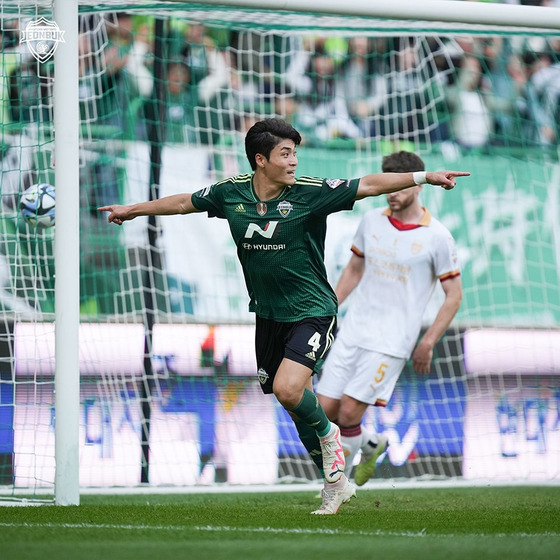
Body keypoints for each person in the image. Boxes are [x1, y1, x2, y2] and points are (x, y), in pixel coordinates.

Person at [98, 119, 469, 514]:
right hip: (268, 314)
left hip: (313, 311)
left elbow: (369, 185)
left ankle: (332, 442)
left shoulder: (310, 193)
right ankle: (335, 481)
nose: (294, 161)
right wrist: (133, 211)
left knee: (290, 390)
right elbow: (183, 202)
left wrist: (425, 176)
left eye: (295, 152)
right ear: (261, 160)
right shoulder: (231, 193)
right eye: (285, 153)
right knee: (294, 402)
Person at [316, 150, 463, 487]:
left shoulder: (438, 237)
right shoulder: (371, 222)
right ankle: (370, 444)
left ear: (418, 184)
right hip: (354, 329)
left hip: (393, 340)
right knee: (325, 411)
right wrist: (329, 310)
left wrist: (427, 341)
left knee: (351, 411)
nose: (392, 193)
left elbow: (454, 296)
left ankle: (336, 488)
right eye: (389, 186)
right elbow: (354, 270)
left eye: (399, 186)